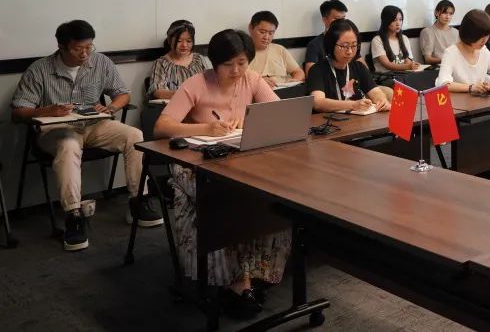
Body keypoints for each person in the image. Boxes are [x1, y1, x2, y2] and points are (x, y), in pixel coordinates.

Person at [153, 30, 289, 320]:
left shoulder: (251, 79)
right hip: (197, 163)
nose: (237, 70)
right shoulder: (197, 83)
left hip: (238, 159)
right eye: (229, 64)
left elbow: (280, 112)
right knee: (226, 198)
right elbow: (162, 126)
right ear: (215, 63)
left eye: (242, 62)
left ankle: (254, 272)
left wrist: (251, 120)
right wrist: (205, 128)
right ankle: (235, 280)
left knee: (276, 193)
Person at [11, 20, 162, 251]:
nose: (85, 54)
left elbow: (123, 94)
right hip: (56, 130)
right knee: (69, 145)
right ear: (61, 46)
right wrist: (46, 111)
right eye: (78, 49)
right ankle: (74, 215)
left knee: (134, 135)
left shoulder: (100, 61)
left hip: (94, 125)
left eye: (89, 47)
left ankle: (138, 201)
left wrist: (111, 108)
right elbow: (18, 113)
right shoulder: (40, 69)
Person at [305, 19, 391, 113]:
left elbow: (375, 92)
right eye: (344, 46)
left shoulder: (359, 67)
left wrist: (382, 101)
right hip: (328, 120)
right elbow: (318, 103)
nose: (349, 51)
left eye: (354, 46)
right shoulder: (317, 70)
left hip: (358, 121)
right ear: (331, 45)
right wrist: (353, 105)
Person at [437, 10, 490, 94]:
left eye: (487, 35)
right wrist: (470, 87)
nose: (485, 40)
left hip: (480, 99)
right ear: (469, 34)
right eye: (481, 36)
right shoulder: (451, 53)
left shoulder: (483, 50)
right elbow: (443, 84)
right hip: (460, 101)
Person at [149, 20, 210, 100]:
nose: (184, 45)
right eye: (179, 41)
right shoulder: (161, 63)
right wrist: (185, 95)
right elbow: (157, 92)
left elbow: (210, 84)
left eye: (188, 41)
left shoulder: (199, 59)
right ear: (170, 40)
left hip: (201, 104)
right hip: (175, 105)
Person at [246, 10, 305, 87]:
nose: (266, 37)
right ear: (250, 28)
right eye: (262, 32)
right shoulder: (242, 53)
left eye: (271, 33)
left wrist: (295, 80)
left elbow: (298, 72)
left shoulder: (279, 50)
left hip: (283, 91)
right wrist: (257, 81)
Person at [370, 5, 420, 73]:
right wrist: (407, 66)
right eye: (394, 20)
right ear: (386, 21)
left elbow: (408, 60)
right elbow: (387, 64)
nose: (398, 23)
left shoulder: (404, 38)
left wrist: (412, 65)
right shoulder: (377, 40)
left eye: (400, 20)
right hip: (386, 76)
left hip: (403, 74)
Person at [303, 0, 348, 74]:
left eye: (343, 18)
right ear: (325, 20)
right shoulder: (315, 45)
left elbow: (363, 67)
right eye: (336, 19)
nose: (341, 23)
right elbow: (311, 74)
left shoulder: (349, 41)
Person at [419, 0, 457, 65]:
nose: (448, 17)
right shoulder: (428, 32)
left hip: (455, 66)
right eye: (444, 13)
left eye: (450, 14)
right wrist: (447, 60)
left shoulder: (456, 32)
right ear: (436, 13)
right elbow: (427, 59)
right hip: (438, 68)